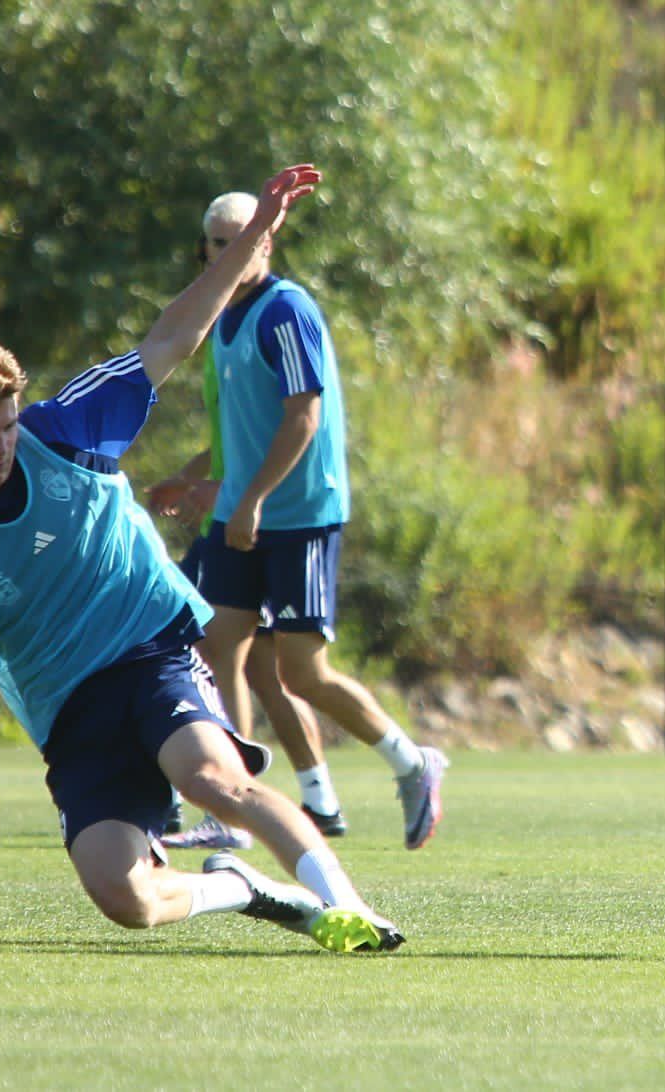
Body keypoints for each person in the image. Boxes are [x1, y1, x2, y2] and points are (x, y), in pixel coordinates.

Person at [0, 165, 401, 953]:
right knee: (124, 896)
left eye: (6, 425)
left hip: (151, 649)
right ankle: (238, 888)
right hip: (67, 710)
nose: (0, 446)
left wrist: (254, 235)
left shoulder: (66, 430)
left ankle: (350, 906)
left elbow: (174, 334)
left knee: (215, 782)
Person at [171, 189, 447, 851]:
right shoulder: (223, 317)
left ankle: (414, 762)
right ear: (206, 248)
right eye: (217, 239)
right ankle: (234, 809)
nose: (229, 247)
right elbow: (248, 427)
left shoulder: (285, 311)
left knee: (302, 672)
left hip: (298, 516)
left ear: (267, 241)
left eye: (244, 235)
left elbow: (303, 418)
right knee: (217, 650)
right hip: (244, 513)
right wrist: (194, 475)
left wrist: (252, 500)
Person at [147, 344, 348, 850]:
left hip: (255, 526)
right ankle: (315, 799)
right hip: (231, 527)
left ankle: (233, 802)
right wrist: (193, 478)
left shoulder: (271, 321)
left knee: (237, 658)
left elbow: (282, 436)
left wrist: (233, 494)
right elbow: (229, 446)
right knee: (243, 660)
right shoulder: (224, 338)